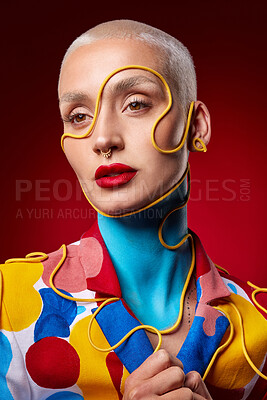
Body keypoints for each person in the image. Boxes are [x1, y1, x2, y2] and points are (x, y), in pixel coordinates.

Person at [0, 19, 266, 400]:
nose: (103, 138)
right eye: (78, 116)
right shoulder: (7, 302)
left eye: (136, 104)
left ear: (197, 126)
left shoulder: (261, 323)